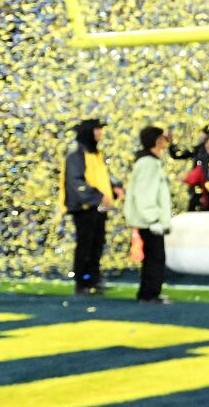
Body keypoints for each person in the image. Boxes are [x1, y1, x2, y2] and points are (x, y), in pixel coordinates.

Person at [62, 117, 120, 295]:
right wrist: (98, 196)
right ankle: (82, 282)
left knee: (96, 245)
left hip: (98, 208)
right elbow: (76, 182)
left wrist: (114, 189)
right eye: (97, 129)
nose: (100, 133)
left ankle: (93, 279)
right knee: (85, 246)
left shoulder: (96, 154)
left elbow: (102, 178)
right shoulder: (76, 156)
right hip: (84, 208)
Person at [122, 126, 174, 304]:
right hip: (150, 221)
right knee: (155, 257)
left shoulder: (150, 162)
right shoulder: (148, 164)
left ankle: (148, 292)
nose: (165, 141)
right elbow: (143, 193)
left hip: (150, 219)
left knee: (153, 256)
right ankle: (149, 294)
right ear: (155, 140)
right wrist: (153, 218)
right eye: (162, 138)